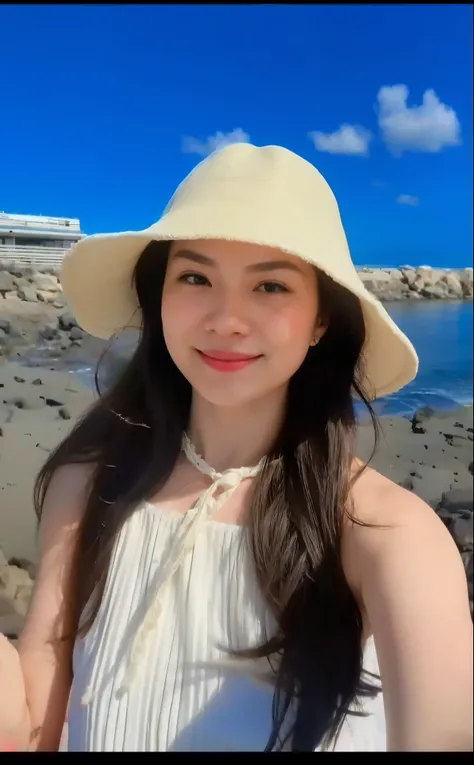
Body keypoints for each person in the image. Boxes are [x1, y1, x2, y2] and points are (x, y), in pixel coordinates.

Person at [0, 143, 472, 752]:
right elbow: (38, 701)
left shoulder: (381, 532)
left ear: (321, 321)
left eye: (271, 286)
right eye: (195, 277)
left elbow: (445, 731)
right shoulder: (91, 482)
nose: (226, 319)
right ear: (159, 297)